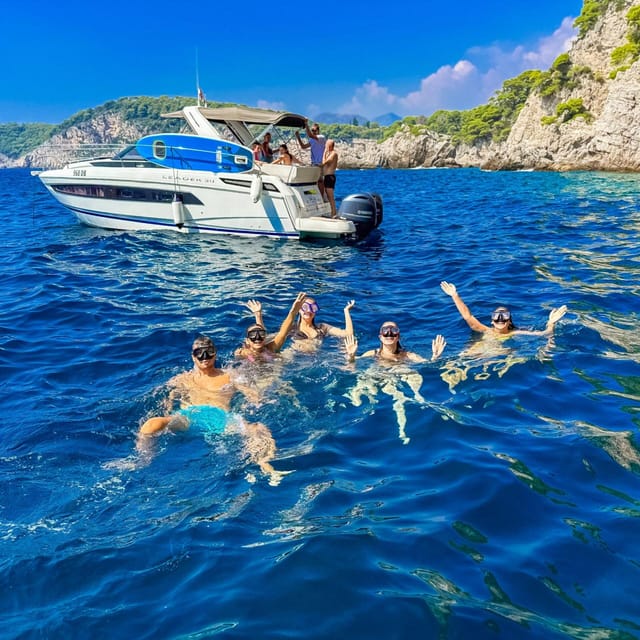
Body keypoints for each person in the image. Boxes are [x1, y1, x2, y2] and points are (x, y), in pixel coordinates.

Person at [137, 335, 289, 485]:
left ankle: (265, 465)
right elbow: (168, 399)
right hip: (189, 417)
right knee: (151, 424)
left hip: (221, 419)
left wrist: (257, 399)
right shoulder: (183, 378)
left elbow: (250, 393)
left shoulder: (230, 375)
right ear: (193, 356)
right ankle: (144, 460)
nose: (205, 357)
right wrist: (167, 408)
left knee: (258, 429)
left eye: (208, 352)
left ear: (215, 353)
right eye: (199, 353)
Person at [344, 323, 446, 444]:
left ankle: (404, 428)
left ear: (398, 337)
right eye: (385, 330)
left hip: (397, 377)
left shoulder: (407, 355)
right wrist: (351, 356)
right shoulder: (372, 353)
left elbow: (427, 364)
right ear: (380, 337)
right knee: (361, 384)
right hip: (378, 376)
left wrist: (435, 357)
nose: (389, 332)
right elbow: (350, 368)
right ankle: (357, 410)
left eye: (394, 330)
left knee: (402, 394)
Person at [439, 281, 567, 336]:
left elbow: (544, 334)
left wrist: (551, 323)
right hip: (477, 356)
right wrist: (455, 295)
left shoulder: (515, 333)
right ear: (491, 321)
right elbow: (468, 316)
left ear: (509, 321)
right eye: (496, 316)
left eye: (504, 316)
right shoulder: (485, 330)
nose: (500, 319)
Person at [234, 292, 307, 361]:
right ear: (247, 341)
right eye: (252, 335)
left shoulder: (271, 348)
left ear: (265, 336)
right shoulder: (243, 353)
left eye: (261, 334)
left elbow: (283, 333)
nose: (257, 338)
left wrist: (293, 312)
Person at [290, 296, 355, 350]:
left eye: (313, 308)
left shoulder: (322, 328)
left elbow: (348, 334)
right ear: (299, 309)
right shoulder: (291, 328)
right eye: (305, 307)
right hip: (297, 355)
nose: (309, 310)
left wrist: (346, 311)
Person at [295, 121, 326, 198]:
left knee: (320, 181)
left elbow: (309, 135)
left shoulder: (321, 137)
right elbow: (303, 146)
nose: (313, 132)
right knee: (314, 181)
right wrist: (298, 137)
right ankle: (314, 195)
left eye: (314, 130)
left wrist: (306, 124)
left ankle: (321, 197)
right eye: (312, 130)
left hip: (320, 163)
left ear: (318, 131)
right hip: (313, 163)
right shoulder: (312, 140)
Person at [321, 139, 339, 218]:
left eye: (326, 145)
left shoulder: (334, 154)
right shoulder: (328, 153)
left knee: (330, 196)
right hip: (326, 176)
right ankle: (330, 211)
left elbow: (325, 162)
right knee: (327, 195)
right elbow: (323, 162)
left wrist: (324, 152)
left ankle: (334, 213)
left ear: (329, 146)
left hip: (330, 177)